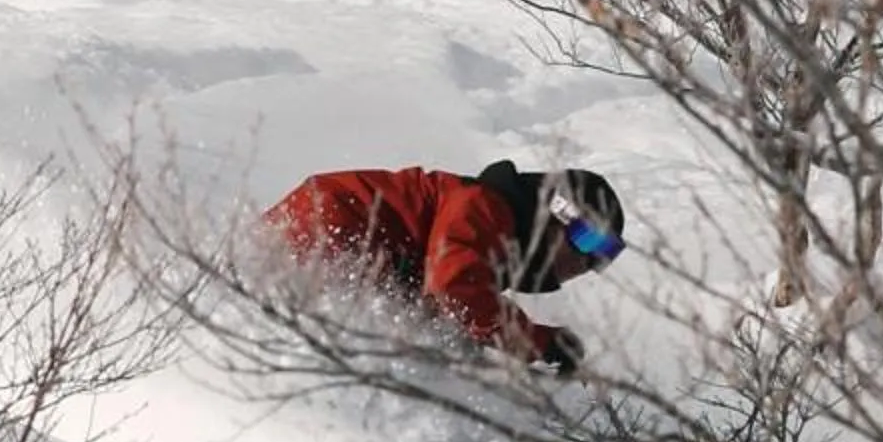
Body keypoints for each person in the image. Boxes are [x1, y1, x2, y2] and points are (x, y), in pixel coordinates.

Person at [259, 156, 625, 374]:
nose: (586, 263)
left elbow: (446, 304)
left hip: (333, 236)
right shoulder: (486, 206)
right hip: (335, 225)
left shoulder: (498, 247)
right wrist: (537, 342)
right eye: (587, 240)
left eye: (603, 255)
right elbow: (454, 284)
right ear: (556, 216)